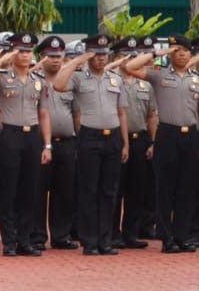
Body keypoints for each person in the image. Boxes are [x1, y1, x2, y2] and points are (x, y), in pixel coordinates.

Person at [0, 32, 51, 257]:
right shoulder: (3, 77)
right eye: (21, 51)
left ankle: (24, 239)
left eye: (28, 51)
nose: (25, 56)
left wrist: (47, 145)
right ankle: (9, 240)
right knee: (8, 189)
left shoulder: (38, 82)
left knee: (30, 190)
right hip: (9, 135)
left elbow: (44, 113)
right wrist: (0, 60)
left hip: (32, 136)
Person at [52, 33, 128, 256]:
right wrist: (77, 61)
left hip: (112, 136)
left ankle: (106, 239)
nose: (101, 59)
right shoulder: (78, 77)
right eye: (96, 54)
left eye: (104, 54)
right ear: (89, 55)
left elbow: (122, 112)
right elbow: (58, 85)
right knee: (88, 190)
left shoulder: (115, 78)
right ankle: (90, 240)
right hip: (89, 137)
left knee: (108, 191)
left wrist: (125, 143)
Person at [127, 35, 199, 252]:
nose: (182, 54)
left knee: (187, 188)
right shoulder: (159, 76)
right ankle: (166, 237)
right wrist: (156, 54)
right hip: (167, 134)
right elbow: (130, 66)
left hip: (191, 135)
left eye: (185, 51)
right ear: (170, 54)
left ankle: (182, 236)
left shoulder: (195, 78)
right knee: (165, 188)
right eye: (176, 50)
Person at [112, 36, 157, 249]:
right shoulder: (112, 80)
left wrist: (153, 142)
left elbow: (152, 115)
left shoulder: (146, 84)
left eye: (133, 55)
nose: (129, 59)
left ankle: (131, 233)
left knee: (136, 190)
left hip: (140, 140)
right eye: (124, 55)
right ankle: (113, 233)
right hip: (117, 141)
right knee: (115, 189)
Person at [35, 35, 79, 250]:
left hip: (67, 142)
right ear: (41, 57)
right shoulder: (33, 78)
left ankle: (61, 236)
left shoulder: (71, 80)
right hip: (40, 143)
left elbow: (76, 112)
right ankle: (37, 235)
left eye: (59, 56)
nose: (55, 60)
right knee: (37, 190)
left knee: (65, 190)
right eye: (50, 56)